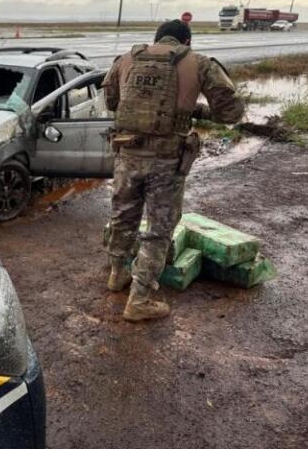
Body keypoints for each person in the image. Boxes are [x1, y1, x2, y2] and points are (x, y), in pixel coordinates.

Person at [102, 20, 244, 322]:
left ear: (156, 39)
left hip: (127, 154)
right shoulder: (199, 63)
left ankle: (116, 274)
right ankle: (139, 300)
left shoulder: (125, 59)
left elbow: (112, 102)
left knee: (122, 217)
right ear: (186, 41)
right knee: (158, 231)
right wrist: (195, 111)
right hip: (166, 162)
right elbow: (231, 112)